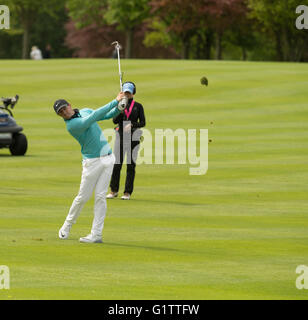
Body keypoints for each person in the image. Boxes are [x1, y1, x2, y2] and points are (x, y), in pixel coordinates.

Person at [55, 92, 126, 243]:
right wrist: (115, 100)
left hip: (107, 158)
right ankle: (67, 226)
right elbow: (93, 117)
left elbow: (105, 115)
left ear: (69, 106)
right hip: (91, 162)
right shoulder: (72, 126)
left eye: (64, 109)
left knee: (101, 197)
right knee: (83, 197)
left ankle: (96, 234)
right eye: (60, 113)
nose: (64, 113)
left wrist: (120, 107)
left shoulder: (84, 111)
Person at [107, 82, 146, 200]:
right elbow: (114, 121)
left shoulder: (138, 106)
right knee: (117, 165)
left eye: (129, 92)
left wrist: (132, 124)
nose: (127, 94)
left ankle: (127, 193)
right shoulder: (119, 105)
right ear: (122, 92)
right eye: (125, 92)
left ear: (133, 92)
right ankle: (113, 190)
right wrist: (120, 110)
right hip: (121, 137)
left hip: (134, 137)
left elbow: (143, 122)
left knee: (130, 166)